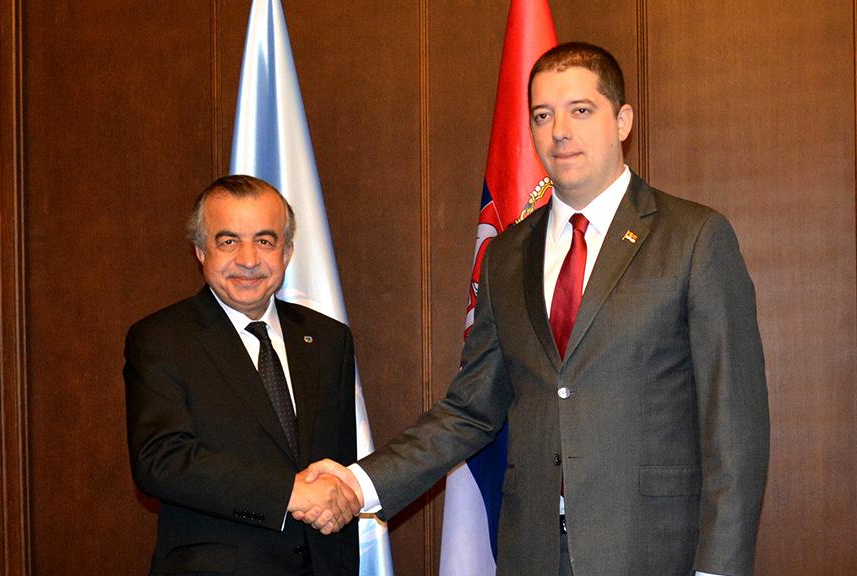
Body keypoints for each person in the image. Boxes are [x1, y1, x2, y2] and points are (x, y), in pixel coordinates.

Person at [301, 42, 770, 576]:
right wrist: (357, 482)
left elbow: (735, 424)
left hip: (655, 550)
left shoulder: (693, 237)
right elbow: (470, 410)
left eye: (580, 110)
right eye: (543, 116)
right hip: (532, 551)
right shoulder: (506, 255)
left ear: (622, 121)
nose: (559, 132)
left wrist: (719, 568)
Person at [125, 175, 360, 576]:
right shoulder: (161, 339)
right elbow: (161, 461)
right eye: (229, 241)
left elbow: (337, 469)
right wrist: (288, 493)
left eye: (265, 241)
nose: (248, 259)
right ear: (201, 251)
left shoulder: (328, 339)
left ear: (287, 251)